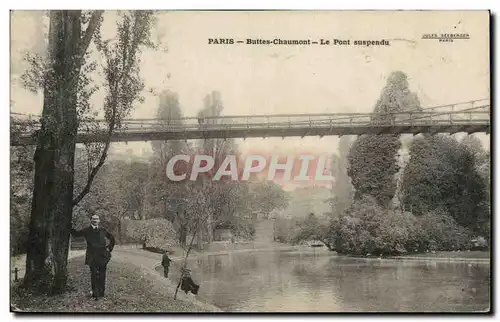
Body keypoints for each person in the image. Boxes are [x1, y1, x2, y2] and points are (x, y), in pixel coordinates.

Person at [71, 215, 115, 300]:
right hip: (92, 256)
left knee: (102, 274)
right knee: (94, 274)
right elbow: (76, 234)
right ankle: (95, 294)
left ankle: (101, 293)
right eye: (93, 219)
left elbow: (112, 238)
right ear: (91, 220)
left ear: (99, 221)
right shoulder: (86, 231)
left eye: (97, 219)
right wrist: (69, 226)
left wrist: (109, 248)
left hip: (102, 256)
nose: (95, 220)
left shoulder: (103, 230)